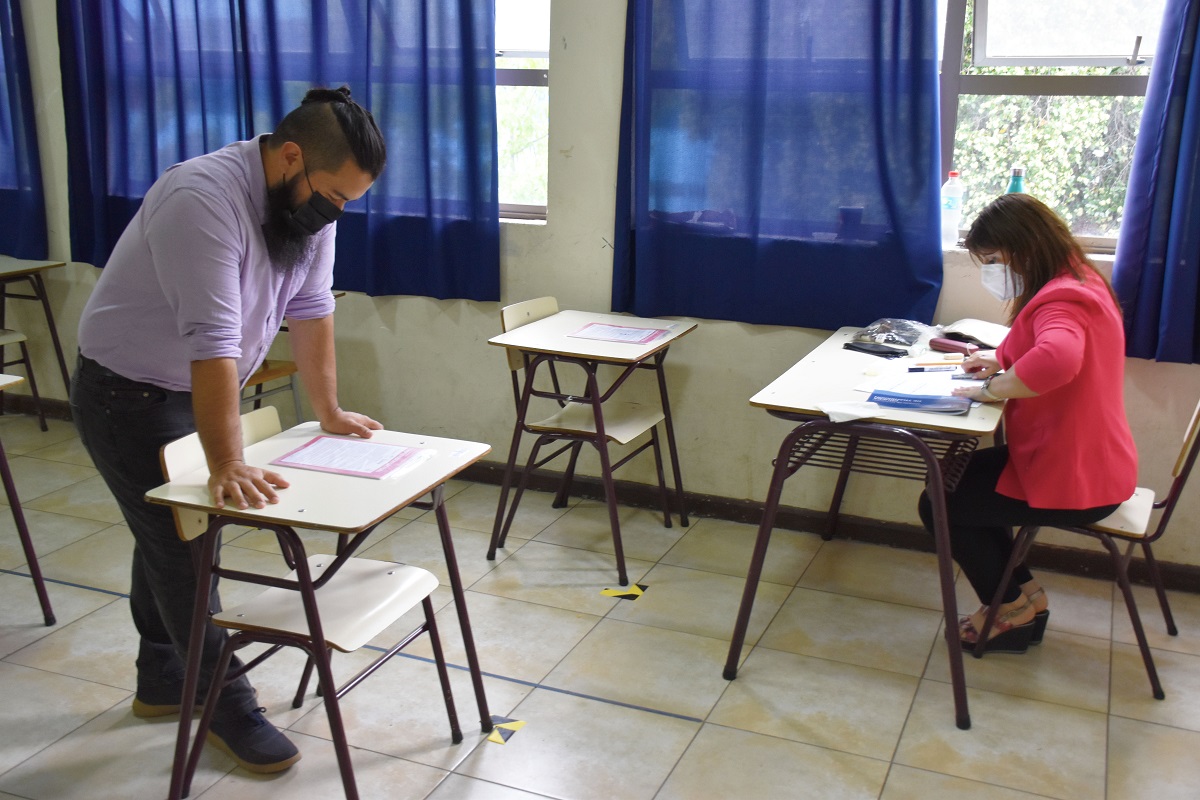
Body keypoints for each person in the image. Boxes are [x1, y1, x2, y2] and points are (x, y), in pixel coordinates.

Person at [70, 86, 386, 773]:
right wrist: (226, 460)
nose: (336, 211)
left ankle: (161, 678)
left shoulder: (304, 209)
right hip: (126, 393)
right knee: (187, 547)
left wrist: (328, 410)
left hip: (195, 389)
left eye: (349, 202)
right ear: (292, 156)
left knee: (167, 531)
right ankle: (227, 707)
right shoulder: (201, 198)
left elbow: (310, 306)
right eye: (333, 193)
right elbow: (211, 339)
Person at [918, 192, 1137, 654]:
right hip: (1086, 462)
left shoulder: (1064, 296)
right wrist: (998, 359)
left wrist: (992, 389)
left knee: (940, 501)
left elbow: (1056, 360)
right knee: (958, 486)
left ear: (1025, 246)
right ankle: (1023, 600)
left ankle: (1011, 611)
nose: (994, 271)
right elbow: (1045, 346)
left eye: (996, 259)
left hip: (1077, 478)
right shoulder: (1079, 280)